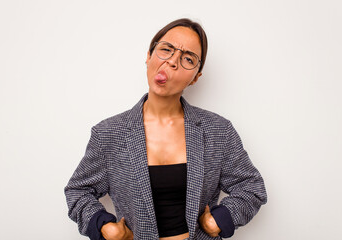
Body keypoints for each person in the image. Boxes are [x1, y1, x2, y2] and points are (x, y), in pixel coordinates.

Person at [64, 18, 267, 240]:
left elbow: (251, 187)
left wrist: (222, 218)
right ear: (149, 56)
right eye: (166, 49)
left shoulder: (218, 131)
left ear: (195, 78)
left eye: (187, 58)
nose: (172, 62)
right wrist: (102, 225)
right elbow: (78, 191)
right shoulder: (109, 133)